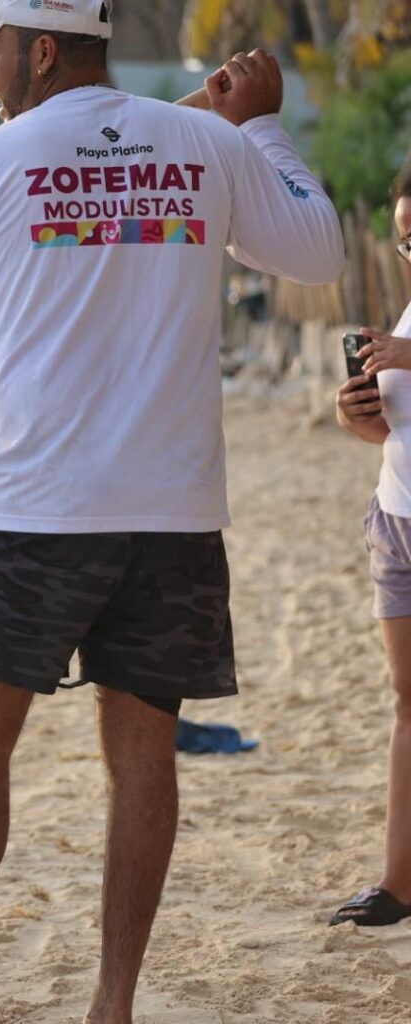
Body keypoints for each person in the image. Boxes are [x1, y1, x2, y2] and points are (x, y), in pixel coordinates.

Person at [0, 2, 344, 1021]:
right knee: (143, 754)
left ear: (42, 49)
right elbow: (319, 252)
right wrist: (263, 125)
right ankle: (113, 1006)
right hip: (173, 511)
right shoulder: (206, 143)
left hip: (31, 509)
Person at [330, 163, 411, 928]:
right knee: (407, 705)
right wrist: (357, 413)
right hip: (396, 521)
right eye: (406, 243)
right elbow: (397, 433)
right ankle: (399, 883)